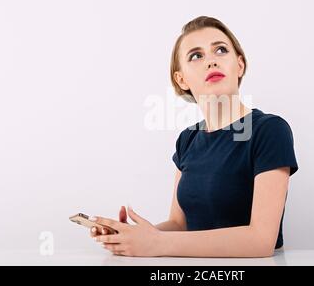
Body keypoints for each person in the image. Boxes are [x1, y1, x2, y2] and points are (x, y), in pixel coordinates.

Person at [89, 16, 299, 257]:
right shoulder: (187, 140)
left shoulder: (270, 130)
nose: (211, 61)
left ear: (239, 65)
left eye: (220, 50)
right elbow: (179, 225)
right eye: (196, 56)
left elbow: (261, 240)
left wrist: (156, 243)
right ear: (182, 79)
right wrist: (134, 237)